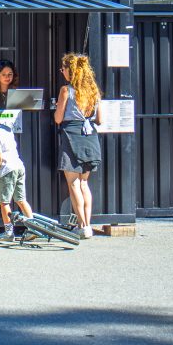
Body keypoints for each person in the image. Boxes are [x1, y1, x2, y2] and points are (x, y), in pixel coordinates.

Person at [54, 53, 103, 240]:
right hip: (90, 136)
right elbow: (100, 119)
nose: (62, 72)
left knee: (73, 182)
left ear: (70, 71)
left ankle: (82, 226)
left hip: (71, 135)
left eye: (63, 69)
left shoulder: (66, 90)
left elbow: (58, 118)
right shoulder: (94, 91)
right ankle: (88, 224)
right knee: (84, 182)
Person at [0, 109, 32, 242]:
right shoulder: (6, 129)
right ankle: (33, 229)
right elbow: (5, 148)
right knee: (21, 200)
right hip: (18, 166)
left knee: (4, 202)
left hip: (6, 169)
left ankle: (9, 232)